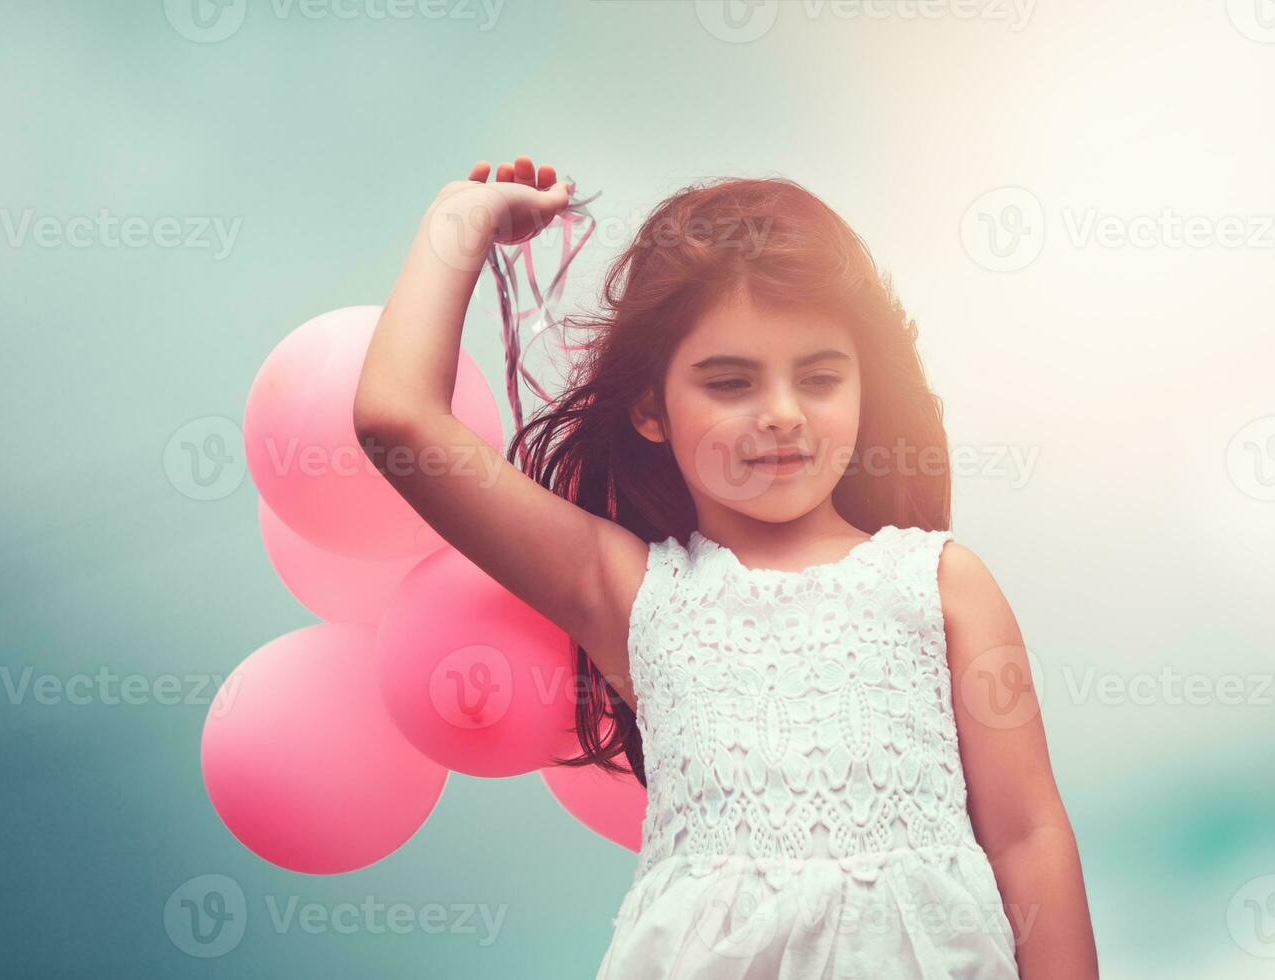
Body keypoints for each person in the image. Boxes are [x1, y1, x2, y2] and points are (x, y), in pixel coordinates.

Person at [354, 156, 1098, 978]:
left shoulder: (941, 584)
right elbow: (397, 419)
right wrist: (462, 220)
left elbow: (1030, 838)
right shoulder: (632, 590)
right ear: (649, 409)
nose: (781, 414)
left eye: (818, 377)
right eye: (730, 382)